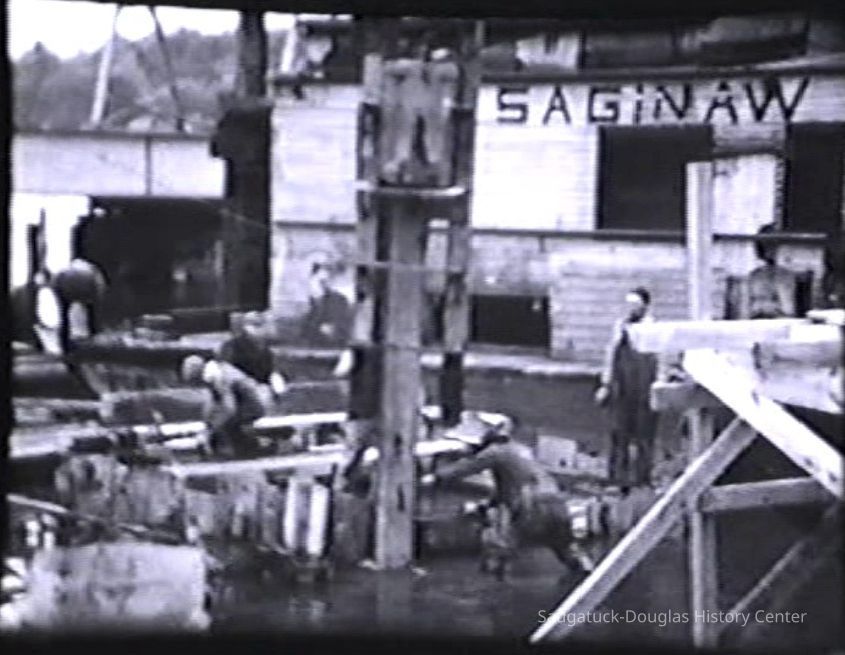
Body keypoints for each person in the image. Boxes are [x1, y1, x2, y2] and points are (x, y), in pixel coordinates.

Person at [420, 417, 595, 581]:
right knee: (565, 546)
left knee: (498, 545)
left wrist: (435, 477)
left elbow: (467, 467)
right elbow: (508, 488)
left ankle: (494, 588)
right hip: (557, 502)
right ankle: (589, 577)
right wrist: (486, 504)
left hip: (531, 505)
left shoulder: (496, 452)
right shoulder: (522, 451)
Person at [594, 287, 659, 489]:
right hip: (621, 387)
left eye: (635, 304)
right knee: (618, 433)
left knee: (644, 436)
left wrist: (659, 388)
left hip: (644, 388)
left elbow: (661, 362)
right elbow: (610, 356)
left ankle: (642, 480)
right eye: (628, 304)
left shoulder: (653, 329)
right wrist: (605, 385)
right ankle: (616, 479)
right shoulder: (620, 327)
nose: (630, 308)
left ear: (645, 306)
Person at [180, 354, 273, 458]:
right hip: (245, 404)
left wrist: (211, 430)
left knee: (226, 424)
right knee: (220, 422)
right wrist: (208, 425)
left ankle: (247, 450)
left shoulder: (219, 376)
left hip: (254, 406)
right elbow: (212, 404)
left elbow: (229, 409)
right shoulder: (215, 372)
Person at [218, 311, 287, 397]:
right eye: (255, 325)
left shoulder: (265, 349)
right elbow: (225, 367)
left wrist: (276, 380)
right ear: (246, 327)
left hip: (259, 386)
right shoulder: (231, 345)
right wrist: (247, 381)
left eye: (260, 326)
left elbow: (270, 370)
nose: (258, 330)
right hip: (236, 386)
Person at [51, 258, 108, 353]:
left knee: (64, 315)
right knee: (90, 312)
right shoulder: (94, 273)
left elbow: (56, 283)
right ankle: (92, 335)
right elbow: (97, 294)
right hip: (81, 283)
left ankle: (64, 342)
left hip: (65, 283)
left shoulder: (64, 272)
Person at [747, 223, 798, 319]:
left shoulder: (785, 275)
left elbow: (788, 309)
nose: (769, 249)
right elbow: (749, 309)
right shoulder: (755, 275)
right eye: (765, 244)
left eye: (772, 244)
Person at [302, 262, 353, 346]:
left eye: (324, 281)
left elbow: (339, 331)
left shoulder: (338, 301)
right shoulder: (314, 303)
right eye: (321, 281)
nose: (323, 285)